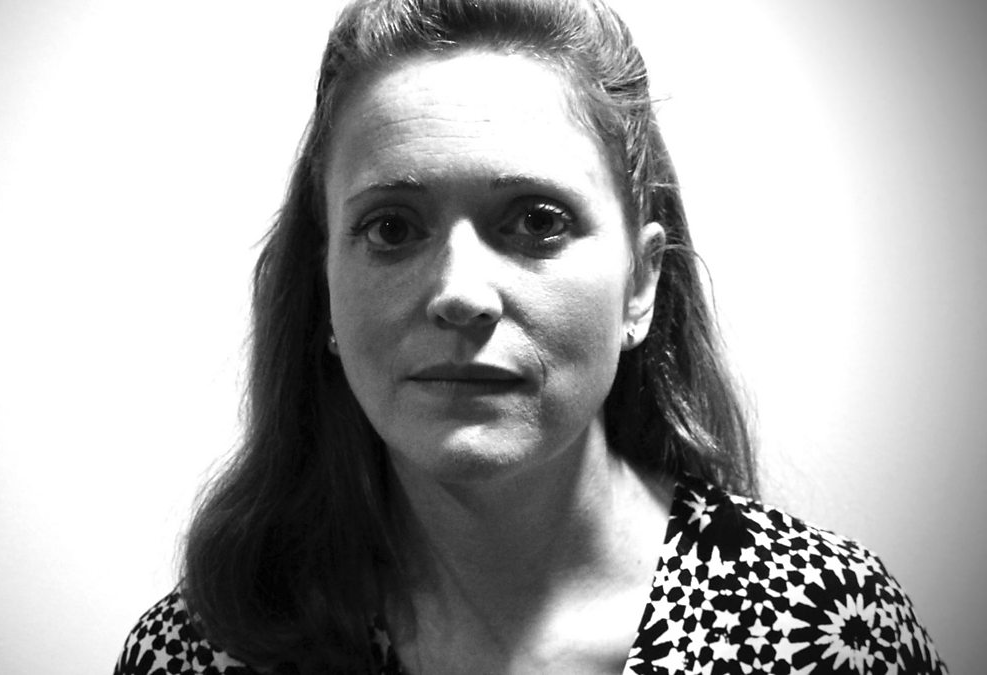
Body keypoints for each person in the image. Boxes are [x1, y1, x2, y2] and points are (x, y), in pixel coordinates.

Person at [115, 0, 947, 672]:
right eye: (393, 228)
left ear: (640, 282)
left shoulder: (826, 630)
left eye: (537, 220)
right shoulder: (202, 652)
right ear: (325, 291)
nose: (459, 293)